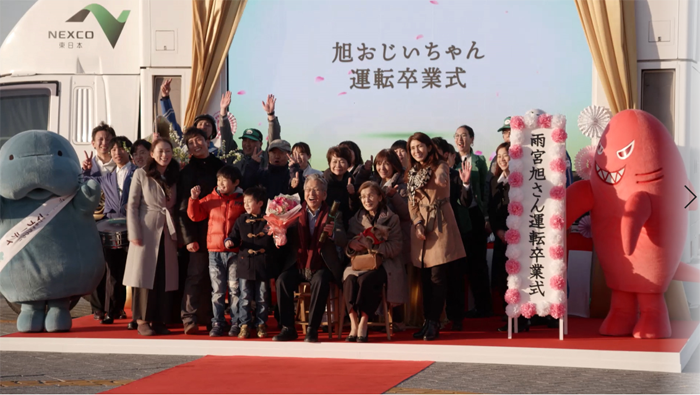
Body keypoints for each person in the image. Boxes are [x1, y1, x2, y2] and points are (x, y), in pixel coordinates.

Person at [272, 174, 347, 342]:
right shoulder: (294, 212)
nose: (311, 193)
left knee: (320, 281)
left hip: (321, 264)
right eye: (308, 190)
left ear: (324, 195)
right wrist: (279, 232)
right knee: (282, 280)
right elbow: (283, 234)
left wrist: (333, 233)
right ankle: (288, 328)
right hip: (298, 263)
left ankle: (312, 329)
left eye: (316, 190)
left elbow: (343, 239)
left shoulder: (334, 214)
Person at [406, 132, 466, 341]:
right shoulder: (413, 172)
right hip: (422, 227)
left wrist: (442, 178)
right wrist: (417, 223)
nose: (417, 151)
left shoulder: (440, 165)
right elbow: (411, 204)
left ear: (429, 147)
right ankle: (426, 321)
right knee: (424, 278)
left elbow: (442, 176)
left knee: (438, 277)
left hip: (440, 224)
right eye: (413, 149)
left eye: (420, 146)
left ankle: (434, 322)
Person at [123, 138, 180, 336]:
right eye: (160, 151)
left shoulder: (175, 174)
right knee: (144, 277)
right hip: (146, 229)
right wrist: (134, 232)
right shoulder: (141, 174)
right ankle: (141, 320)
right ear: (153, 154)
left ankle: (159, 320)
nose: (165, 155)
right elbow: (132, 205)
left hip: (167, 230)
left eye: (168, 151)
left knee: (164, 277)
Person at [82, 137, 138, 326]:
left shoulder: (139, 173)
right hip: (112, 230)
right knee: (113, 272)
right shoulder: (107, 177)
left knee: (137, 273)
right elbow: (87, 183)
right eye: (113, 150)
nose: (116, 153)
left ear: (128, 152)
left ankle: (138, 315)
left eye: (120, 149)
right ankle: (112, 312)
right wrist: (87, 169)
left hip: (136, 229)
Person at [187, 165, 245, 337]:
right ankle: (218, 323)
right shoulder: (211, 198)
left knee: (235, 289)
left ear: (235, 182)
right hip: (214, 251)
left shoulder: (242, 201)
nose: (220, 184)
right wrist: (193, 199)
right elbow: (195, 215)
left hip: (235, 252)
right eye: (218, 180)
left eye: (224, 181)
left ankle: (236, 322)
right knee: (218, 290)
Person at [178, 127, 225, 335]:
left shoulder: (221, 167)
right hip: (197, 232)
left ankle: (211, 317)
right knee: (195, 275)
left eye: (198, 140)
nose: (196, 145)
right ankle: (189, 318)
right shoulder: (186, 172)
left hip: (219, 231)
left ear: (208, 140)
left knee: (215, 277)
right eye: (190, 143)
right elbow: (181, 208)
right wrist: (188, 238)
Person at [344, 182, 405, 342]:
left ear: (380, 197)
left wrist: (374, 246)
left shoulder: (392, 218)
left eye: (371, 195)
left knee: (367, 280)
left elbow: (396, 246)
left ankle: (364, 320)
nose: (367, 199)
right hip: (359, 262)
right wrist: (352, 245)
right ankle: (353, 322)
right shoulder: (355, 220)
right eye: (363, 197)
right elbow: (348, 244)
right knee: (349, 279)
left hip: (384, 263)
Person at [225, 186, 275, 339]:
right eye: (244, 201)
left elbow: (273, 241)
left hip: (262, 264)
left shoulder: (269, 220)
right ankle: (244, 324)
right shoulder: (241, 220)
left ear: (260, 203)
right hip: (245, 264)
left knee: (262, 296)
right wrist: (229, 241)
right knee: (245, 296)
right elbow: (233, 236)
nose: (245, 204)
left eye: (249, 201)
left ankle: (261, 324)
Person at [453, 125, 493, 320]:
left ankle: (483, 306)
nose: (460, 140)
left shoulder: (478, 161)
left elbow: (486, 189)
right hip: (456, 220)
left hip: (476, 217)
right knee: (458, 266)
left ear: (472, 139)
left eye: (464, 136)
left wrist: (486, 216)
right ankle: (456, 309)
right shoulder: (450, 162)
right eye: (457, 136)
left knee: (478, 264)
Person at [431, 137, 471, 331]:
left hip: (452, 232)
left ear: (445, 155)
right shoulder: (421, 176)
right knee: (435, 277)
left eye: (435, 152)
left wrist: (465, 185)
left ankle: (456, 317)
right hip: (429, 235)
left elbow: (464, 202)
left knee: (455, 277)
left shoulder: (455, 175)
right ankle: (433, 318)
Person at [371, 149, 412, 329]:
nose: (382, 167)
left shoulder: (402, 185)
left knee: (397, 277)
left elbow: (407, 213)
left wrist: (394, 196)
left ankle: (399, 319)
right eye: (379, 164)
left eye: (386, 164)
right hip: (379, 240)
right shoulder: (376, 184)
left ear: (394, 165)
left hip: (398, 240)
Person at [81, 122, 116, 321]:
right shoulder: (87, 166)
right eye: (100, 139)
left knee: (114, 266)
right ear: (93, 143)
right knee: (97, 265)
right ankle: (97, 308)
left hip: (114, 222)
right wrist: (85, 172)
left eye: (108, 139)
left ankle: (113, 307)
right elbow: (79, 191)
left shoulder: (119, 165)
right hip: (93, 223)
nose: (104, 143)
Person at [159, 79, 237, 157]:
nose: (203, 127)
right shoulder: (185, 147)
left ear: (213, 132)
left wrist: (223, 111)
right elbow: (172, 126)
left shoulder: (217, 153)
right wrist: (165, 98)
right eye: (200, 124)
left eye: (207, 125)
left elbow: (226, 138)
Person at [234, 95, 281, 177]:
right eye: (245, 140)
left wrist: (271, 115)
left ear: (260, 144)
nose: (247, 144)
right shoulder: (236, 156)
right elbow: (226, 138)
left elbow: (273, 140)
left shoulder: (265, 157)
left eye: (252, 141)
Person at [323, 146, 358, 229]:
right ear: (329, 163)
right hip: (325, 223)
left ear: (348, 164)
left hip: (345, 225)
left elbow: (354, 209)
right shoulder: (323, 182)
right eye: (334, 162)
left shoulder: (351, 181)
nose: (338, 165)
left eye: (342, 162)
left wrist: (352, 194)